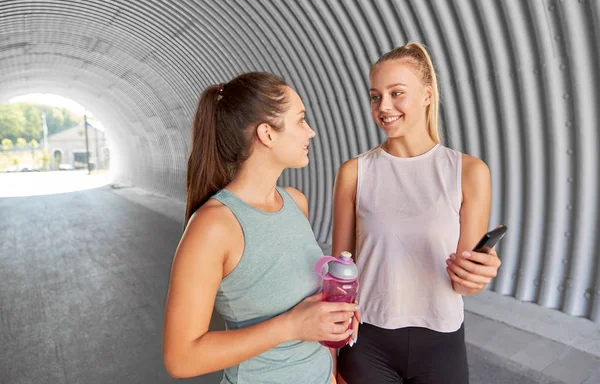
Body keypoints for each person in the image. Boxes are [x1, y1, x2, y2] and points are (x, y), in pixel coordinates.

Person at [162, 72, 359, 384]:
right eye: (301, 120)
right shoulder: (214, 226)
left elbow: (305, 311)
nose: (311, 131)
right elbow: (181, 358)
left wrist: (332, 323)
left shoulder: (296, 203)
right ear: (267, 134)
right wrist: (292, 326)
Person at [332, 43, 502, 384]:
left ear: (427, 95)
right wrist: (329, 356)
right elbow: (340, 272)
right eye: (375, 96)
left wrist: (478, 274)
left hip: (441, 341)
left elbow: (463, 285)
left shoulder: (468, 172)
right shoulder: (354, 172)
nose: (384, 107)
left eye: (397, 93)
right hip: (366, 341)